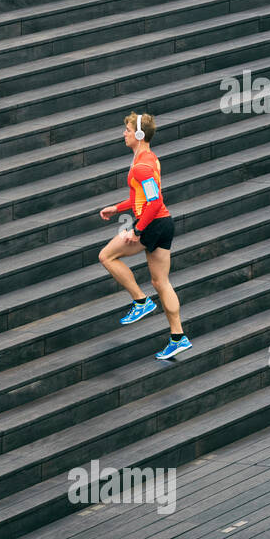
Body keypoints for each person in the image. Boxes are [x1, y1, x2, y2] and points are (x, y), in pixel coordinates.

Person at [97, 112, 191, 359]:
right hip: (164, 223)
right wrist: (117, 208)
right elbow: (141, 197)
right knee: (161, 283)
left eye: (127, 130)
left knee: (106, 256)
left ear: (138, 135)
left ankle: (140, 301)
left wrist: (137, 230)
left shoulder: (140, 167)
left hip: (152, 223)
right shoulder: (150, 159)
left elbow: (154, 200)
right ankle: (178, 337)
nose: (124, 134)